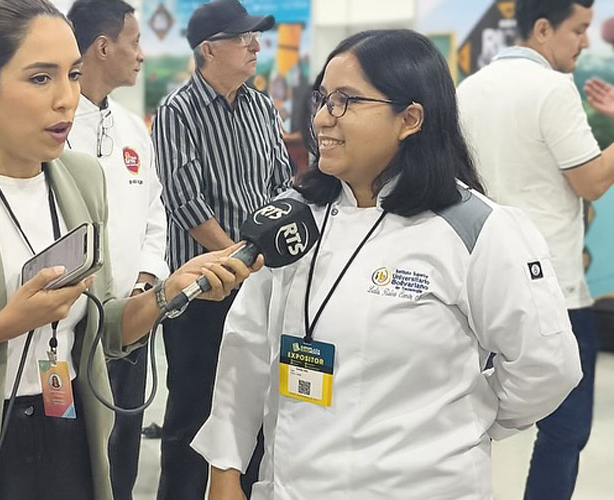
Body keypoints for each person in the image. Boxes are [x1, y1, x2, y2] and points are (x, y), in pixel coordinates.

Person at [0, 1, 260, 499]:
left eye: (73, 74)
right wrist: (3, 326)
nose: (66, 99)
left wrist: (167, 293)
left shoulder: (80, 179)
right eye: (40, 78)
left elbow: (99, 326)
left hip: (65, 437)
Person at [191, 29, 583, 500]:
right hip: (293, 484)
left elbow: (547, 366)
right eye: (322, 99)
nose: (322, 119)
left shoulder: (476, 229)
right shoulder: (293, 218)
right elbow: (247, 346)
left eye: (345, 101)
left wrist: (462, 420)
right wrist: (226, 469)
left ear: (410, 118)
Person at [457, 1, 614, 497]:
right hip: (554, 287)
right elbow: (591, 182)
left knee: (471, 423)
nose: (585, 42)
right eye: (579, 30)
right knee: (566, 430)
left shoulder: (468, 89)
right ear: (543, 28)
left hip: (480, 281)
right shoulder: (552, 88)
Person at [150, 0, 293, 497]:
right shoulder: (176, 112)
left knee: (251, 405)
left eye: (256, 37)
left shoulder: (261, 107)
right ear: (209, 50)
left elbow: (282, 185)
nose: (256, 46)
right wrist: (237, 259)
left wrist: (265, 261)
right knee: (193, 409)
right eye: (243, 38)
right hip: (203, 289)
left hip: (259, 281)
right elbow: (186, 204)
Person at [66, 1, 168, 498]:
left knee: (124, 445)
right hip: (70, 326)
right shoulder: (55, 130)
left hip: (134, 318)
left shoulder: (131, 128)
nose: (142, 54)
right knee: (74, 446)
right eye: (135, 41)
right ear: (103, 47)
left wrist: (149, 279)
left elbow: (155, 212)